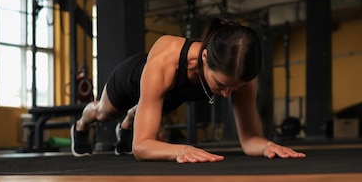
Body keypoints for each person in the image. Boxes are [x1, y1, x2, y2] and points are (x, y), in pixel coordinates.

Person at [70, 18, 306, 163]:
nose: (226, 94)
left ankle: (131, 119)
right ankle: (80, 125)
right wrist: (180, 150)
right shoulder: (166, 62)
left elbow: (250, 139)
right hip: (131, 78)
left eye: (235, 87)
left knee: (146, 109)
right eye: (221, 85)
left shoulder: (239, 71)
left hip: (172, 95)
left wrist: (266, 146)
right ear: (204, 57)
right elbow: (141, 147)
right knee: (104, 113)